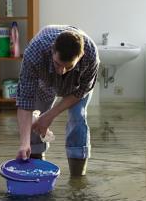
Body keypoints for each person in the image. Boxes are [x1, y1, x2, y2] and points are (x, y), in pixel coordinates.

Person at [16, 25, 99, 176]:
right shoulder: (35, 53)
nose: (61, 71)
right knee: (35, 122)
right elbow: (25, 100)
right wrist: (24, 143)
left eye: (68, 67)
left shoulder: (91, 55)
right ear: (52, 51)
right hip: (45, 84)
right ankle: (36, 168)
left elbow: (81, 91)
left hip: (76, 88)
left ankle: (77, 178)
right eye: (57, 64)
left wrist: (49, 116)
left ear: (80, 57)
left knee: (78, 117)